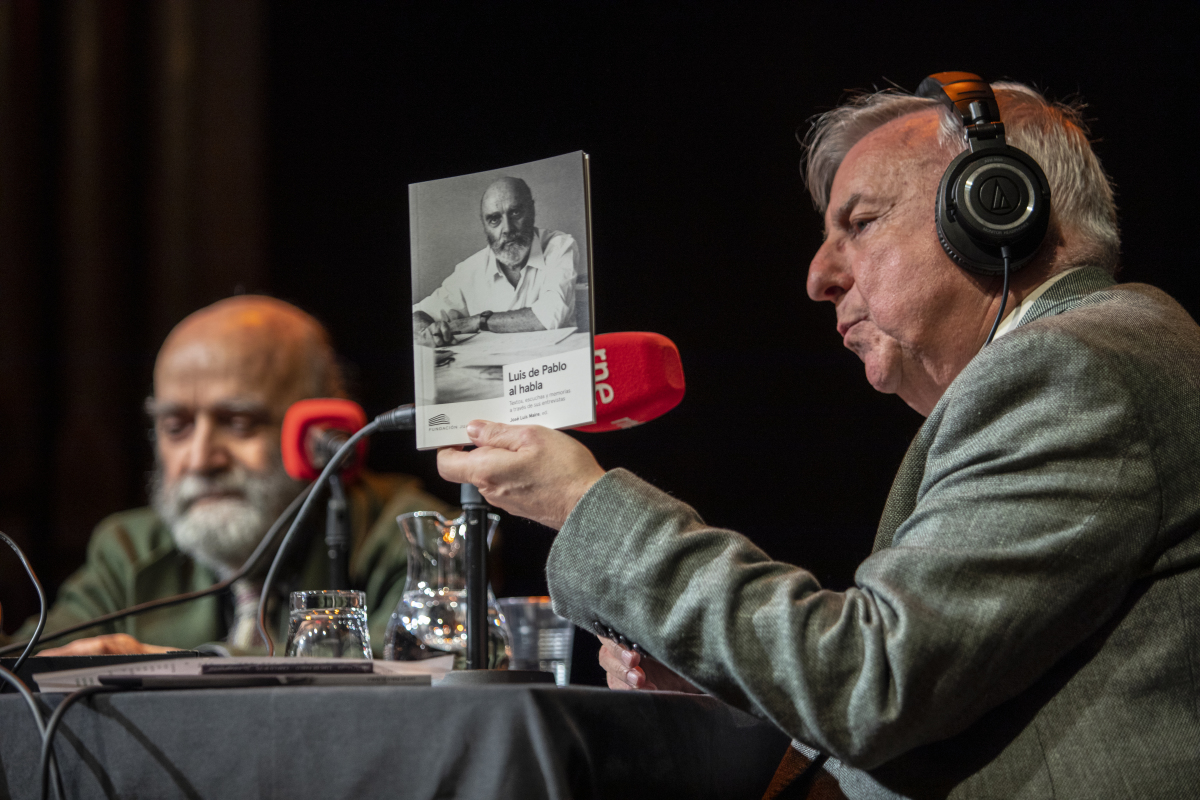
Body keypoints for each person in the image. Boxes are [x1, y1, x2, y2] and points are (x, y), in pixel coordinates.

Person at [436, 80, 1200, 797]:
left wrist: (582, 504)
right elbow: (928, 695)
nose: (817, 277)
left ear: (996, 209)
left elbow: (872, 683)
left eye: (859, 224)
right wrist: (725, 674)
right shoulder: (1091, 360)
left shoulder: (1070, 371)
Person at [6, 296, 453, 657]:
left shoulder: (418, 538)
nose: (201, 459)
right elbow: (27, 665)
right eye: (176, 427)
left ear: (321, 431)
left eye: (239, 422)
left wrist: (183, 670)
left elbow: (416, 670)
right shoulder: (126, 550)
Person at [412, 177, 578, 347]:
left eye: (515, 213)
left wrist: (479, 321)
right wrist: (430, 333)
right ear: (484, 226)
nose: (507, 229)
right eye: (494, 219)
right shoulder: (470, 270)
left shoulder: (559, 246)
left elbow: (550, 316)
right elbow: (417, 314)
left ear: (532, 211)